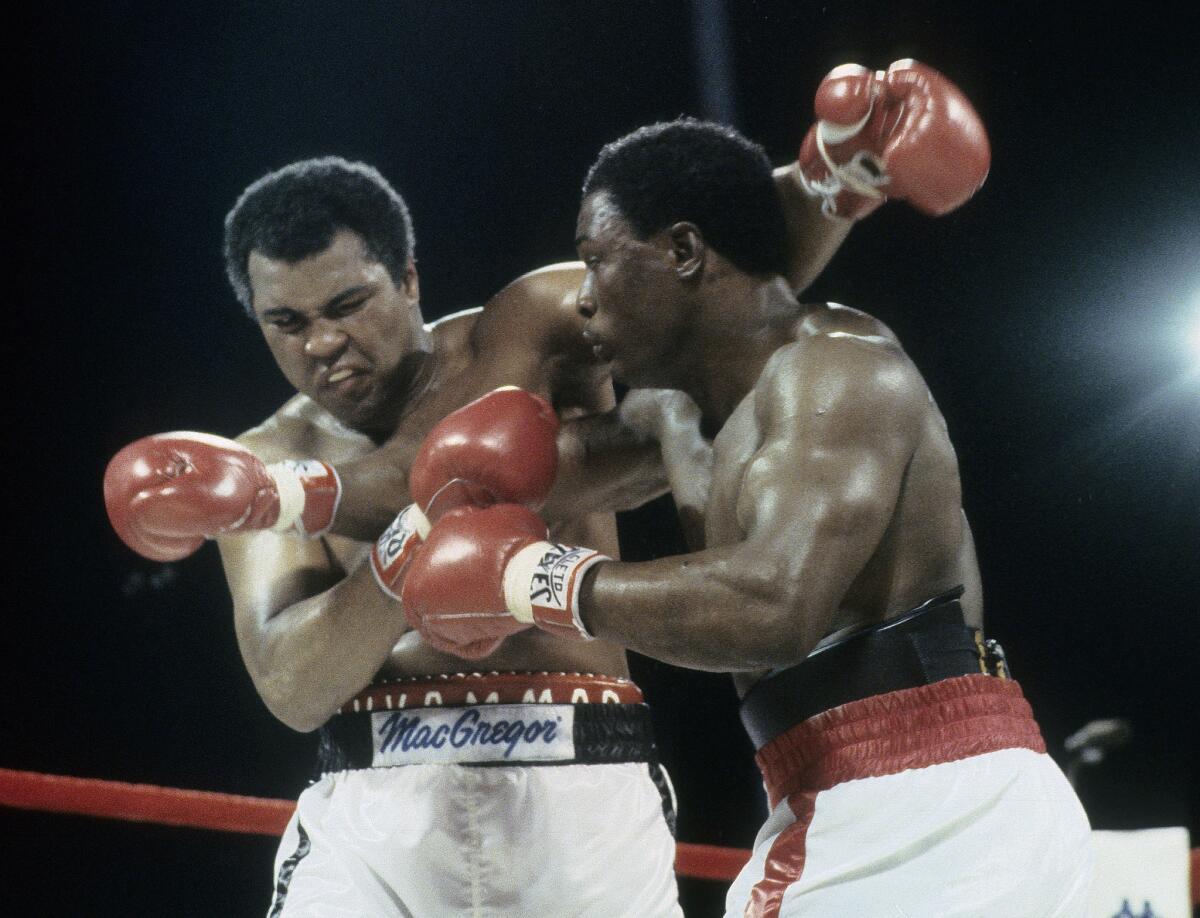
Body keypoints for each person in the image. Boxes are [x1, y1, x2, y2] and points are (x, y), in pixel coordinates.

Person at [101, 56, 917, 914]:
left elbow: (706, 291)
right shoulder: (258, 461)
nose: (324, 344)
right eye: (289, 322)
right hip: (378, 811)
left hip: (579, 789)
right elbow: (296, 687)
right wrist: (419, 540)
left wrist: (835, 179)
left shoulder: (525, 333)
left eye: (347, 304)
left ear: (407, 278)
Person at [397, 63, 1096, 917]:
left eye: (595, 261)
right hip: (858, 793)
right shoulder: (675, 417)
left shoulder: (838, 368)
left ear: (685, 251)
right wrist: (296, 498)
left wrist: (529, 582)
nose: (580, 301)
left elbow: (776, 603)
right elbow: (483, 477)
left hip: (925, 801)